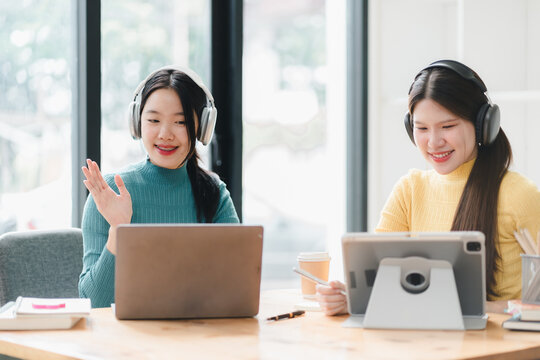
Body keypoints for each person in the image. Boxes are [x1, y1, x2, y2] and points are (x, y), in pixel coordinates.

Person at [317, 59, 540, 316]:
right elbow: (379, 280)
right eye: (421, 128)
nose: (433, 142)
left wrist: (479, 307)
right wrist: (351, 298)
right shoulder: (409, 190)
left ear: (483, 124)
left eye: (448, 126)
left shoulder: (520, 195)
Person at [79, 66, 239, 308]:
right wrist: (118, 230)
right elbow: (92, 303)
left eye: (181, 122)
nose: (165, 134)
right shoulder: (109, 193)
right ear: (137, 122)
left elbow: (238, 286)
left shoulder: (214, 192)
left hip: (196, 338)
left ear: (202, 127)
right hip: (125, 343)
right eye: (153, 120)